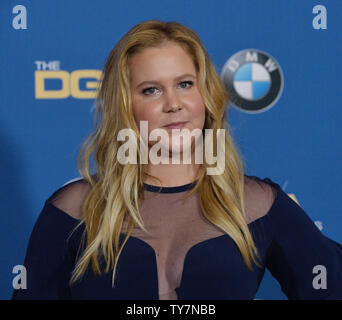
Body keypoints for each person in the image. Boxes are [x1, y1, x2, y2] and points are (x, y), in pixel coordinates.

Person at [12, 20, 342, 300]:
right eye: (151, 90)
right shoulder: (74, 209)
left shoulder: (256, 204)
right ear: (125, 105)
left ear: (206, 94)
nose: (174, 104)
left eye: (185, 84)